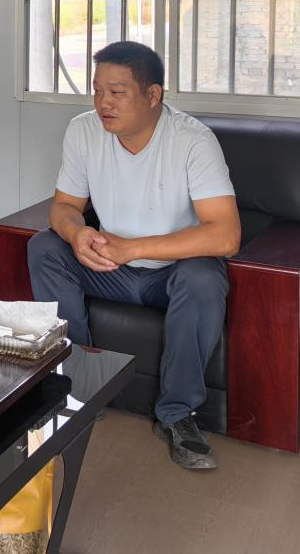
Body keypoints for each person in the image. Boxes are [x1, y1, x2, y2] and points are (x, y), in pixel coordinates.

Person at [27, 40, 240, 471]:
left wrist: (135, 248)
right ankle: (78, 390)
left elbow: (226, 234)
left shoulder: (193, 141)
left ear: (153, 95)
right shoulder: (83, 131)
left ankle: (177, 415)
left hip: (170, 275)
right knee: (45, 247)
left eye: (117, 92)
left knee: (204, 277)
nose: (102, 103)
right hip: (108, 267)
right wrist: (77, 233)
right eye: (97, 90)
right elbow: (64, 207)